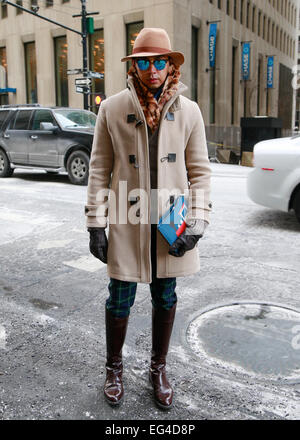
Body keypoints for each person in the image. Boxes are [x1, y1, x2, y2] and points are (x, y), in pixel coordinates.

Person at [85, 27, 211, 410]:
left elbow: (200, 172)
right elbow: (98, 169)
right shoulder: (111, 108)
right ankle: (114, 368)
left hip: (170, 222)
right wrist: (95, 223)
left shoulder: (189, 111)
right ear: (134, 65)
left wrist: (198, 222)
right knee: (119, 299)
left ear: (170, 64)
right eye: (144, 62)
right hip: (127, 219)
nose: (152, 70)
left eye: (159, 62)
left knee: (166, 296)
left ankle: (159, 368)